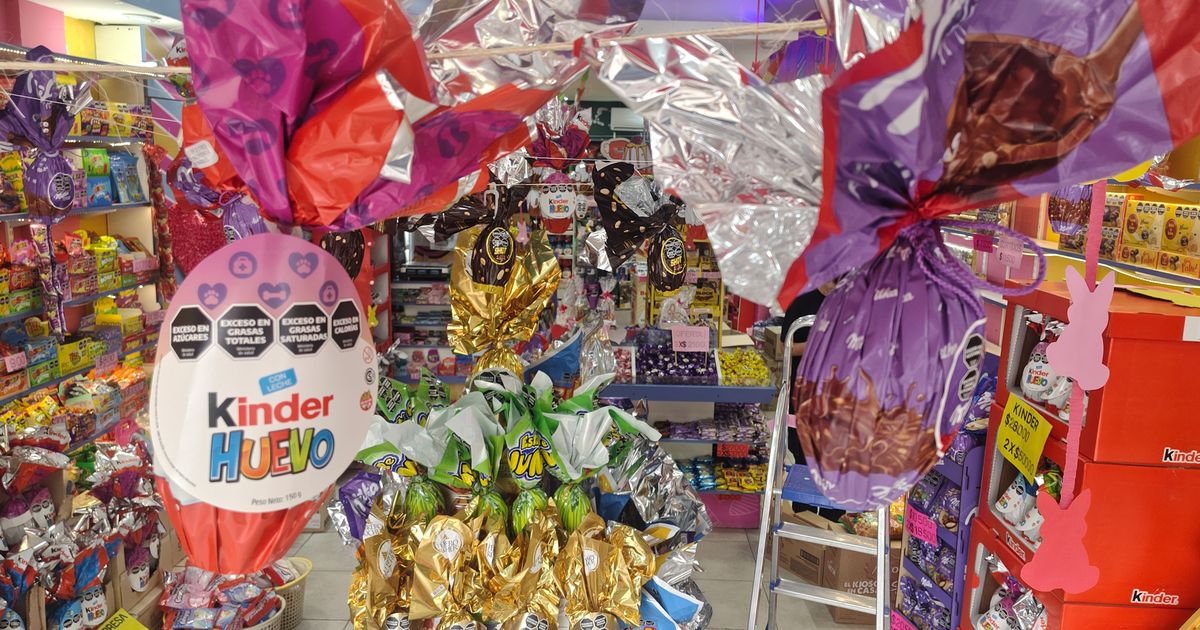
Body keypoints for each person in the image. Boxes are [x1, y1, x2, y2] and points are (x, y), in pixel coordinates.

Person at [780, 282, 844, 520]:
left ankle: (831, 522)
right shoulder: (802, 302)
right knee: (803, 457)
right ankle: (802, 518)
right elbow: (785, 347)